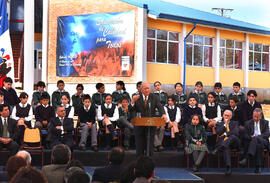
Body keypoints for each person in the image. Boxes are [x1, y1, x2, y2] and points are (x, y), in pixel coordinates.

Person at [130, 82, 167, 157]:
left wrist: (163, 114)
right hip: (139, 126)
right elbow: (130, 110)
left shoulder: (154, 97)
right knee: (139, 149)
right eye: (145, 88)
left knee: (149, 149)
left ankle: (149, 165)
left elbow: (160, 106)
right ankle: (139, 166)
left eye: (148, 88)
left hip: (150, 126)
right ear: (141, 89)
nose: (147, 90)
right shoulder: (136, 97)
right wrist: (133, 102)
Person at [239, 108, 270, 173]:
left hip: (263, 141)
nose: (255, 118)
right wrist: (251, 137)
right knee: (258, 146)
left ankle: (247, 157)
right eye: (254, 116)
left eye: (257, 117)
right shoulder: (247, 123)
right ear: (252, 115)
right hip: (253, 142)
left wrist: (257, 137)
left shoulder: (265, 122)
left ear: (261, 116)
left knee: (256, 139)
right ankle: (258, 167)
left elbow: (267, 134)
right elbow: (245, 135)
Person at [212, 110, 240, 175]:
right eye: (225, 115)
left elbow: (236, 133)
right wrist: (225, 125)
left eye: (228, 116)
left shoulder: (235, 123)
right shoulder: (219, 124)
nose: (226, 117)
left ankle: (219, 147)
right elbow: (218, 133)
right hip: (225, 144)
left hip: (234, 143)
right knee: (226, 147)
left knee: (232, 136)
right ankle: (228, 167)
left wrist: (225, 134)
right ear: (223, 116)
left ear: (231, 117)